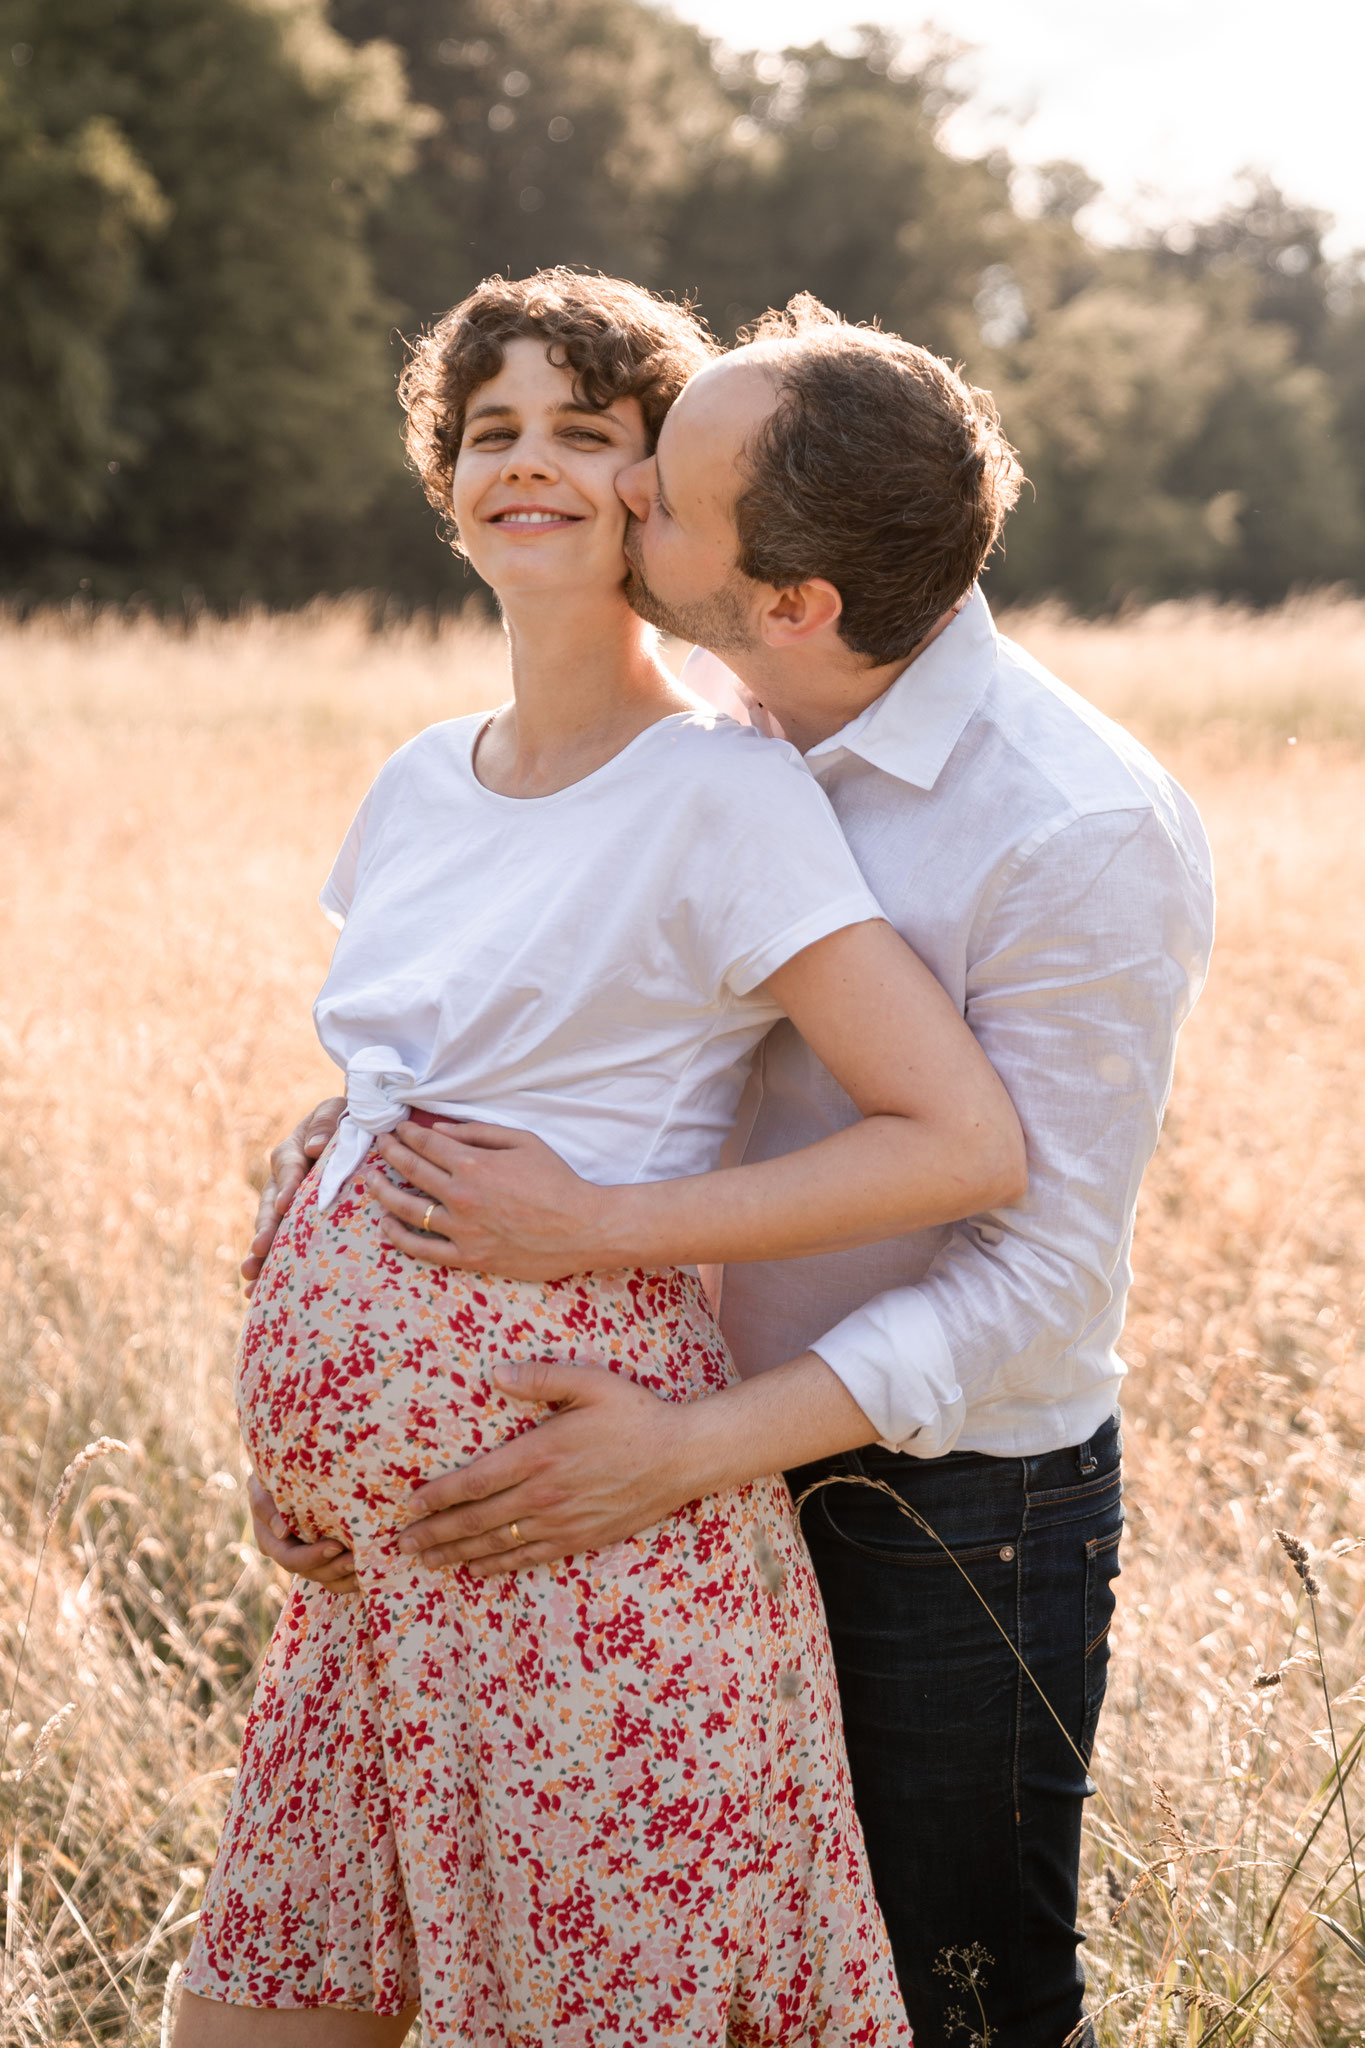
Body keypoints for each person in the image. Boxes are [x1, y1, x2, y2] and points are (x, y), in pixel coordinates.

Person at [251, 293, 1215, 2047]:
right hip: (647, 1464)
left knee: (949, 1997)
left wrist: (678, 1428)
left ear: (794, 599)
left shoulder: (1071, 827)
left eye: (662, 492)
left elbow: (1034, 1273)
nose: (625, 506)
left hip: (942, 1506)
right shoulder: (722, 711)